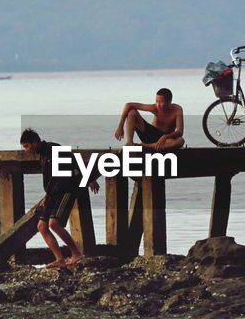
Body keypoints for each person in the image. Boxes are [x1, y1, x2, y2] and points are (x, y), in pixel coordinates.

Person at [20, 128, 99, 268]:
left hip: (66, 191)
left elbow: (75, 160)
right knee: (42, 226)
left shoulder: (53, 148)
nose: (26, 150)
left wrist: (90, 178)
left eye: (27, 146)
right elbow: (51, 178)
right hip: (52, 194)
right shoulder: (42, 154)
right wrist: (46, 196)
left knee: (54, 224)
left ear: (35, 142)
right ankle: (60, 259)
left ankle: (76, 254)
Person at [114, 88, 185, 150]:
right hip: (150, 135)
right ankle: (129, 142)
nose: (158, 105)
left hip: (166, 140)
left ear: (169, 102)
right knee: (132, 112)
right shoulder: (154, 108)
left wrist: (165, 137)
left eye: (161, 102)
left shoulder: (177, 110)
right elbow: (128, 105)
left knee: (180, 141)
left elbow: (179, 132)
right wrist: (120, 126)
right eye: (157, 101)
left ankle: (145, 146)